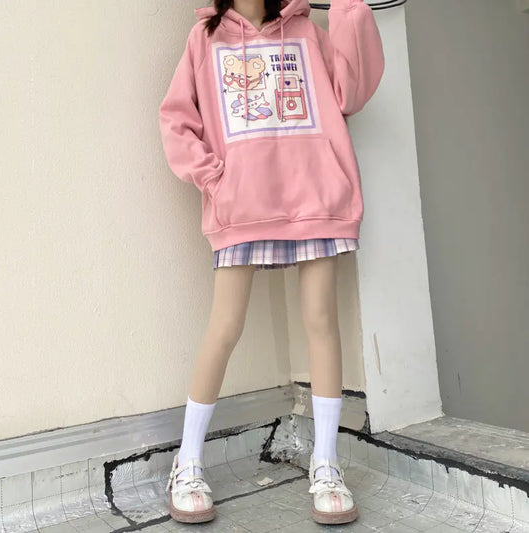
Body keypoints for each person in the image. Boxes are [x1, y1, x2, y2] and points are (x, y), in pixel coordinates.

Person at [159, 0, 384, 525]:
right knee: (225, 327)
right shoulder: (205, 39)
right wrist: (215, 177)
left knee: (322, 321)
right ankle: (187, 462)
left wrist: (349, 9)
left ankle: (325, 463)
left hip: (317, 201)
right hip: (243, 208)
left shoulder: (306, 31)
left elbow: (350, 93)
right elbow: (176, 118)